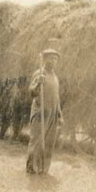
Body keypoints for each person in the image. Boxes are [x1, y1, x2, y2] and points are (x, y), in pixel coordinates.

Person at [26, 47, 64, 175]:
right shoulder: (39, 73)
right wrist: (38, 84)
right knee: (36, 141)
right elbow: (32, 92)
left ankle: (43, 169)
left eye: (55, 59)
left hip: (52, 114)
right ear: (45, 60)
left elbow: (56, 97)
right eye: (50, 58)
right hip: (40, 113)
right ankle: (31, 168)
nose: (53, 61)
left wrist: (60, 115)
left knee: (49, 142)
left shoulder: (55, 77)